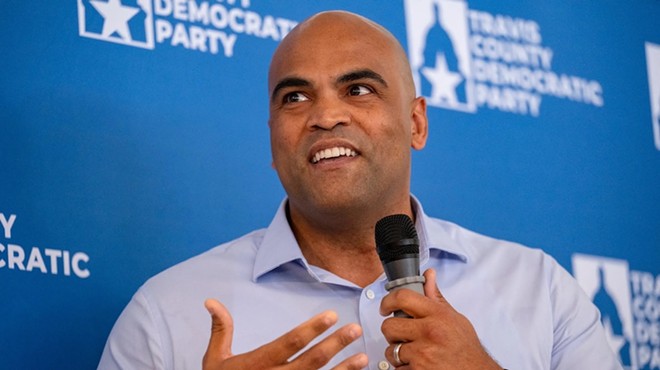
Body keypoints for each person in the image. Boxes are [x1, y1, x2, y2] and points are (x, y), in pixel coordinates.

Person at [98, 10, 622, 370]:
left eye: (359, 89)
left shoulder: (540, 292)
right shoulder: (168, 313)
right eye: (295, 97)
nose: (325, 116)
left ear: (417, 123)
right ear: (273, 138)